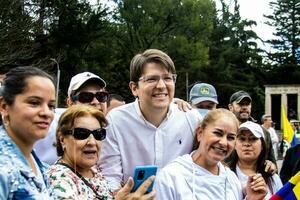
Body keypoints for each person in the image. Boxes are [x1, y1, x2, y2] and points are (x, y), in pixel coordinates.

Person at [100, 49, 198, 191]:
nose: (161, 85)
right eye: (152, 79)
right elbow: (110, 177)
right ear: (134, 88)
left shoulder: (190, 119)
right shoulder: (115, 121)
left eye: (168, 78)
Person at [154, 109, 268, 200]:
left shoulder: (231, 180)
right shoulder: (172, 176)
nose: (223, 142)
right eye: (218, 133)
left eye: (230, 138)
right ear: (200, 133)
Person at [48, 104, 155, 200]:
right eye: (81, 134)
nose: (92, 142)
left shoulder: (93, 170)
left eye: (98, 134)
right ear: (62, 140)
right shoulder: (58, 180)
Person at [0, 66, 56, 199]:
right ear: (4, 106)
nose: (46, 113)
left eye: (51, 105)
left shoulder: (34, 158)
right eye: (34, 103)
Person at [34, 71, 109, 164]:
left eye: (101, 96)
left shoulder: (113, 129)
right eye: (85, 97)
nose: (95, 101)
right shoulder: (48, 127)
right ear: (70, 103)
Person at [226, 121, 282, 199]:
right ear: (235, 145)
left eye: (253, 139)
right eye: (242, 139)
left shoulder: (272, 178)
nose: (247, 144)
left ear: (262, 145)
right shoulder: (225, 175)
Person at [228, 90, 277, 173]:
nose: (244, 107)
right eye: (240, 104)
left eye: (247, 104)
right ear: (230, 107)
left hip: (256, 182)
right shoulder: (223, 130)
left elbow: (272, 163)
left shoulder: (263, 132)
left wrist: (271, 166)